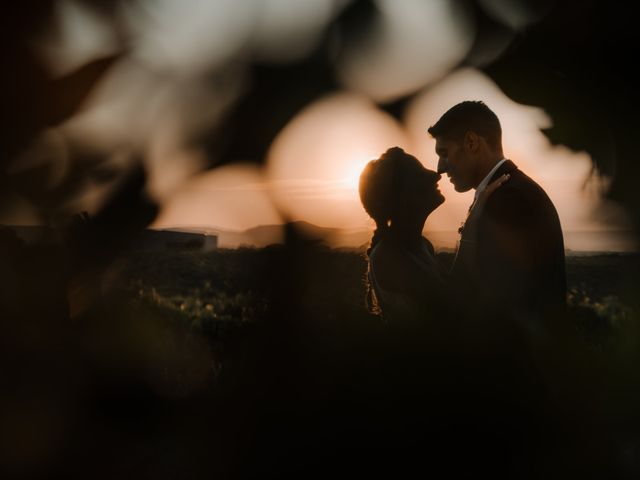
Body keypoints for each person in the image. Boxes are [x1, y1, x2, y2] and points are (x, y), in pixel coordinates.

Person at [427, 101, 566, 323]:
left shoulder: (508, 200)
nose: (439, 168)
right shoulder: (505, 192)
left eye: (444, 153)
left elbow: (490, 306)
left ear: (471, 142)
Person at [358, 146, 507, 326]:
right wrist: (471, 224)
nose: (435, 175)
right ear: (402, 196)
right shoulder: (386, 258)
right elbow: (451, 310)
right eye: (419, 174)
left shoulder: (422, 245)